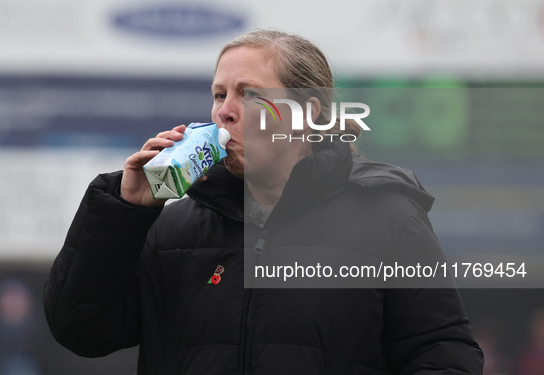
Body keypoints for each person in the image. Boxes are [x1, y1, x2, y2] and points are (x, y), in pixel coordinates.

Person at [43, 29, 484, 374]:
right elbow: (81, 330)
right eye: (220, 94)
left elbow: (442, 355)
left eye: (248, 94)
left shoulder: (386, 215)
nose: (224, 111)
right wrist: (128, 209)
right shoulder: (172, 228)